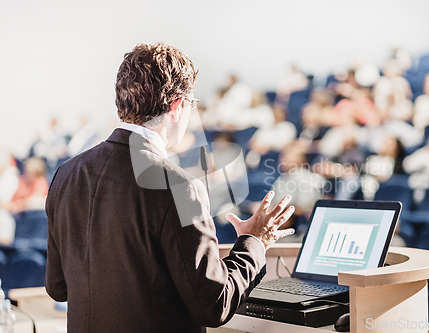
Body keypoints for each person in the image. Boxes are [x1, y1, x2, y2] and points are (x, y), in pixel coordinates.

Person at [45, 43, 295, 333]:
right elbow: (213, 304)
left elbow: (57, 287)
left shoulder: (66, 174)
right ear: (178, 105)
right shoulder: (181, 187)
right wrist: (254, 242)